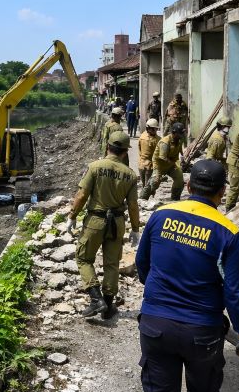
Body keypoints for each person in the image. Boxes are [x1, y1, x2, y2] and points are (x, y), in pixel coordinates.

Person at [135, 159, 239, 392]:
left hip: (155, 325)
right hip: (202, 332)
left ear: (189, 185)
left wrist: (161, 296)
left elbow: (142, 265)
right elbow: (236, 293)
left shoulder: (160, 215)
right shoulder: (228, 232)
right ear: (222, 192)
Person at [67, 131, 140, 319]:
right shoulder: (130, 175)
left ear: (108, 146)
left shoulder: (95, 167)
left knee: (83, 258)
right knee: (112, 264)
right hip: (117, 222)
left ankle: (95, 298)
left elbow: (82, 195)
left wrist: (72, 216)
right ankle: (108, 306)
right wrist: (135, 229)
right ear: (124, 152)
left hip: (95, 221)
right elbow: (132, 205)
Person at [140, 122, 185, 202]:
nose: (181, 136)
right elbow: (162, 157)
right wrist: (172, 163)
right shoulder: (165, 142)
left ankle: (175, 198)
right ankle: (143, 198)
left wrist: (182, 159)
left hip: (171, 164)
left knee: (179, 178)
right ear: (174, 133)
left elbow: (180, 150)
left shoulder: (179, 140)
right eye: (179, 134)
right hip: (160, 165)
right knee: (155, 181)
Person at [138, 118, 160, 187]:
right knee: (148, 186)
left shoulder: (142, 136)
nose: (156, 131)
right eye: (155, 129)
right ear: (151, 129)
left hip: (141, 164)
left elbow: (139, 149)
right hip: (149, 166)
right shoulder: (156, 140)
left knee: (144, 185)